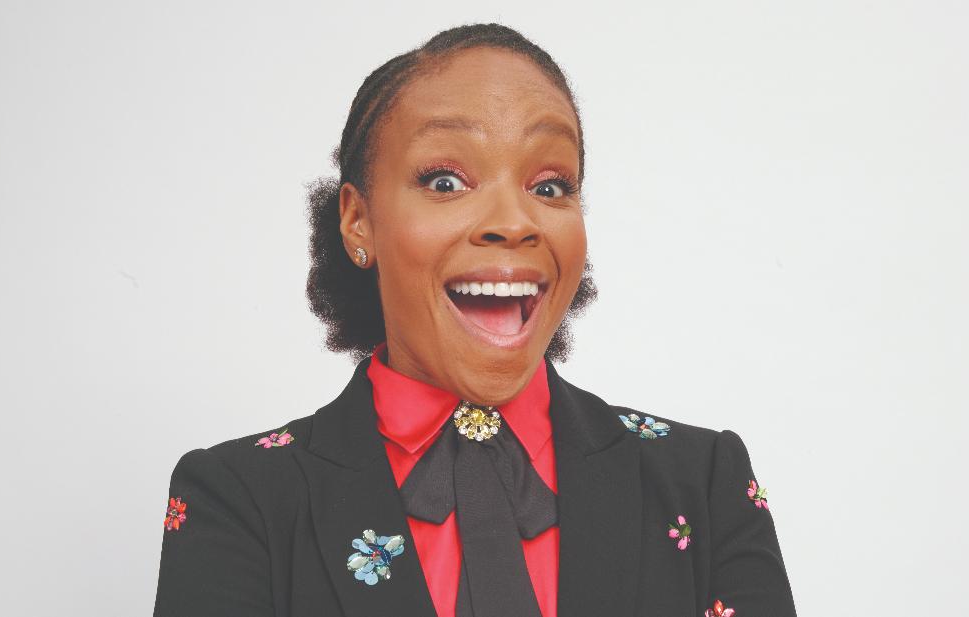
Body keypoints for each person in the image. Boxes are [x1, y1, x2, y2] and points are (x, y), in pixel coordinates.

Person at [152, 23, 797, 617]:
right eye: (444, 181)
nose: (514, 222)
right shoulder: (239, 502)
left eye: (550, 186)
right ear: (358, 222)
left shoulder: (703, 483)